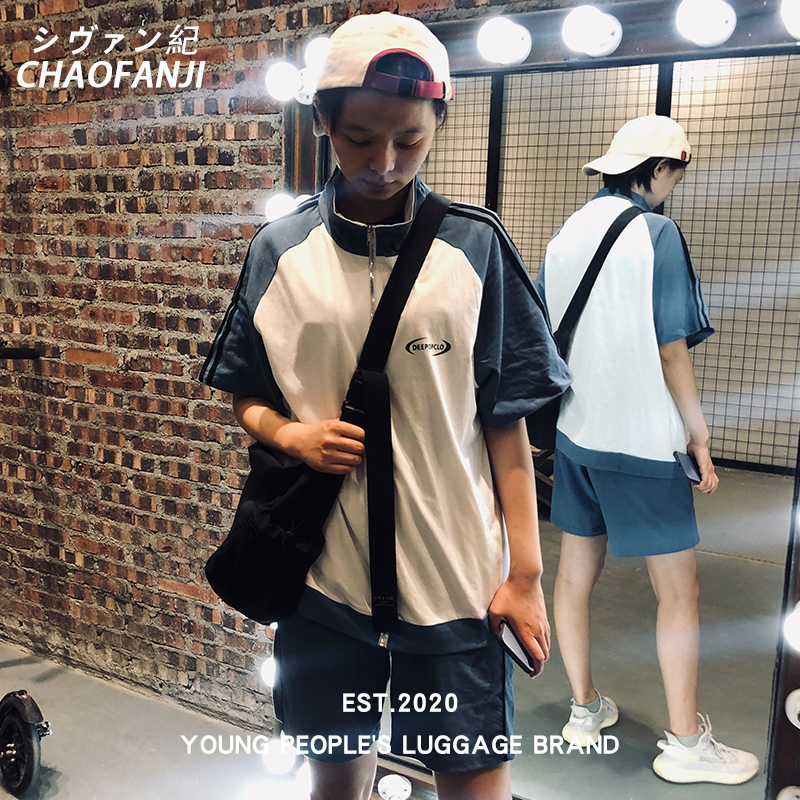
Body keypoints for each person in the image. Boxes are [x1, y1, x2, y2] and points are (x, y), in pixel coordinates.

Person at [200, 13, 570, 800]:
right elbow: (246, 394)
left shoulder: (474, 247)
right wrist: (292, 435)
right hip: (324, 586)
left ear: (438, 123)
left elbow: (506, 423)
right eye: (360, 138)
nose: (385, 162)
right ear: (324, 120)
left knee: (475, 784)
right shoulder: (280, 251)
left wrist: (526, 574)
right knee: (335, 784)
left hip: (458, 585)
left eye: (410, 138)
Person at [534, 114, 759, 785]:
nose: (674, 185)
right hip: (642, 444)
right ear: (659, 169)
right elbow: (671, 350)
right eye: (676, 173)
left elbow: (546, 332)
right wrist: (699, 432)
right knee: (678, 593)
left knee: (573, 576)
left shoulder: (567, 233)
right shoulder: (656, 234)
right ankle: (686, 744)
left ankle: (583, 710)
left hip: (576, 435)